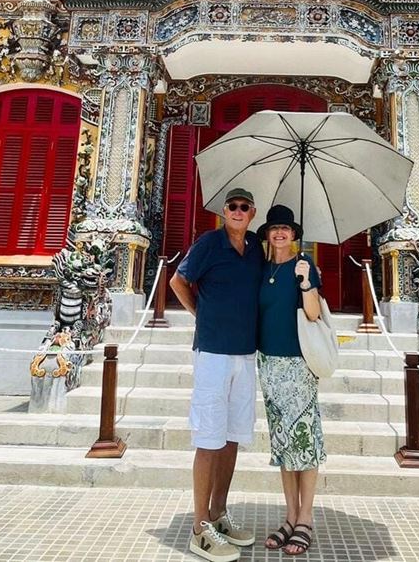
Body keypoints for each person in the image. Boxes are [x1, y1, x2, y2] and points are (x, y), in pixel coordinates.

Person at [170, 187, 263, 562]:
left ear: (252, 213)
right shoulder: (209, 243)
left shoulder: (256, 246)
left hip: (245, 354)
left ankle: (219, 514)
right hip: (212, 354)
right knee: (209, 438)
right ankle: (198, 529)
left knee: (232, 437)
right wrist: (199, 314)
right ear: (224, 211)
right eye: (232, 206)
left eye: (245, 207)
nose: (238, 212)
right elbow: (178, 281)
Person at [256, 204, 325, 557]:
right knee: (283, 444)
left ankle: (306, 517)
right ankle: (289, 514)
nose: (279, 233)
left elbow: (312, 313)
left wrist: (306, 282)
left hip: (298, 364)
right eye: (274, 228)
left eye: (285, 228)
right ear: (267, 235)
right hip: (268, 363)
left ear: (294, 235)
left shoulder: (304, 266)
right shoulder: (263, 268)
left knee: (304, 440)